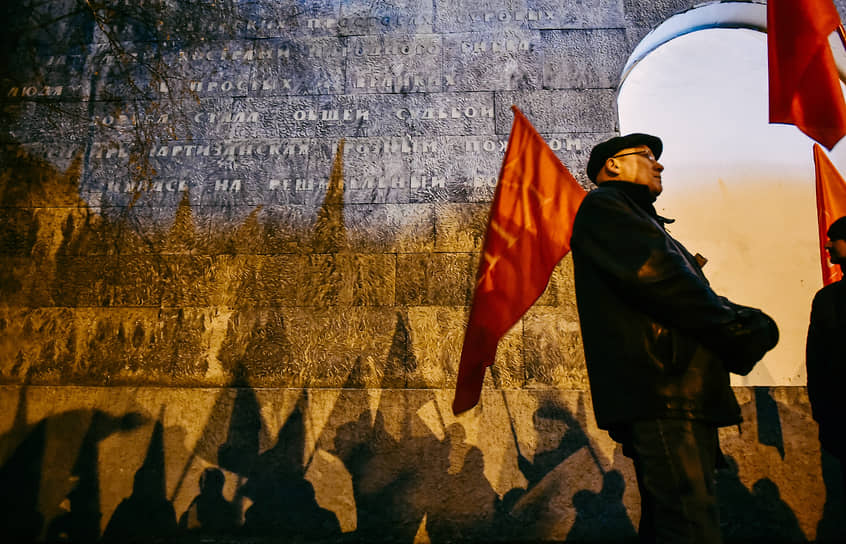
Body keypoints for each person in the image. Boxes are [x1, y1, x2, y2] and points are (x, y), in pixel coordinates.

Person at [570, 133, 779, 543]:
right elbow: (664, 282)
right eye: (648, 156)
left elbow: (683, 287)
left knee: (673, 521)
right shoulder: (607, 207)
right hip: (661, 386)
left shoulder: (640, 219)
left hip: (675, 387)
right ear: (612, 165)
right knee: (688, 523)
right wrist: (737, 328)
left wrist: (737, 317)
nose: (659, 164)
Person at [806, 216, 846, 502]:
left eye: (835, 237)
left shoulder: (830, 299)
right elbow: (817, 362)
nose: (827, 243)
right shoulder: (827, 298)